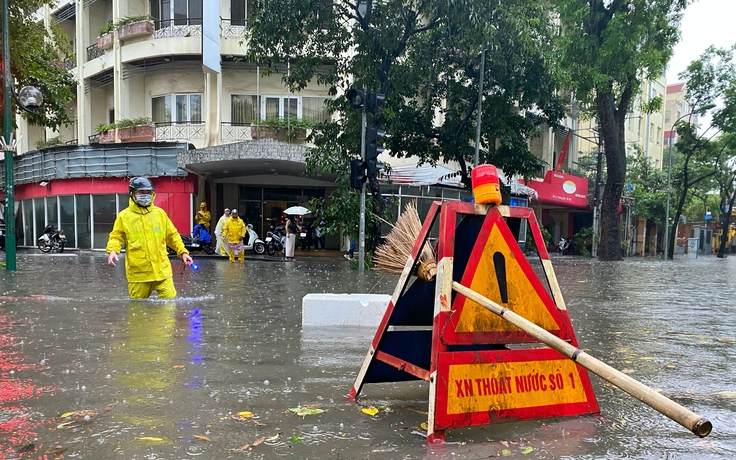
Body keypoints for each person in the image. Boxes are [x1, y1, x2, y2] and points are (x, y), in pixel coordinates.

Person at [106, 177, 193, 299]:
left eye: (148, 193)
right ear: (132, 194)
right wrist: (113, 251)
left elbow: (172, 236)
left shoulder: (160, 214)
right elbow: (116, 237)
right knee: (138, 309)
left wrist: (183, 252)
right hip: (139, 274)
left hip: (162, 271)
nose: (146, 196)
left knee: (169, 306)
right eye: (142, 192)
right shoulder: (124, 216)